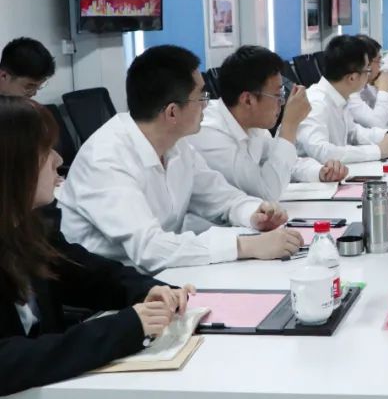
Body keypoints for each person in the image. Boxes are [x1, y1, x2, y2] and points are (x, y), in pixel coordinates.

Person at [0, 96, 196, 396]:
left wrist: (147, 290)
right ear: (13, 166)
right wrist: (122, 329)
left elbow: (85, 272)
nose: (58, 160)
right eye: (45, 151)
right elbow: (7, 362)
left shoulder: (30, 225)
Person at [58, 46, 301, 272]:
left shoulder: (177, 145)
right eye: (200, 97)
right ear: (172, 112)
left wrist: (255, 213)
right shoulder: (106, 159)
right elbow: (149, 248)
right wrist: (244, 246)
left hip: (162, 275)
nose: (207, 105)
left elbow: (221, 197)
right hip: (107, 287)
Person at [188, 46, 347, 201]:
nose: (282, 102)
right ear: (248, 100)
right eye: (278, 95)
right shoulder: (209, 132)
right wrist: (289, 126)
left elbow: (285, 162)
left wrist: (320, 172)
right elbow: (267, 192)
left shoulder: (253, 123)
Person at [298, 35, 388, 164]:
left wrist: (385, 136)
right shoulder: (316, 102)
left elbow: (353, 132)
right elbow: (322, 152)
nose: (369, 75)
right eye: (367, 70)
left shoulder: (338, 96)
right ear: (352, 78)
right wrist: (378, 150)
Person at [347, 36, 388, 129]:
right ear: (366, 63)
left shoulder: (368, 87)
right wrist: (384, 90)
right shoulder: (350, 94)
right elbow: (378, 124)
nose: (380, 67)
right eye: (378, 61)